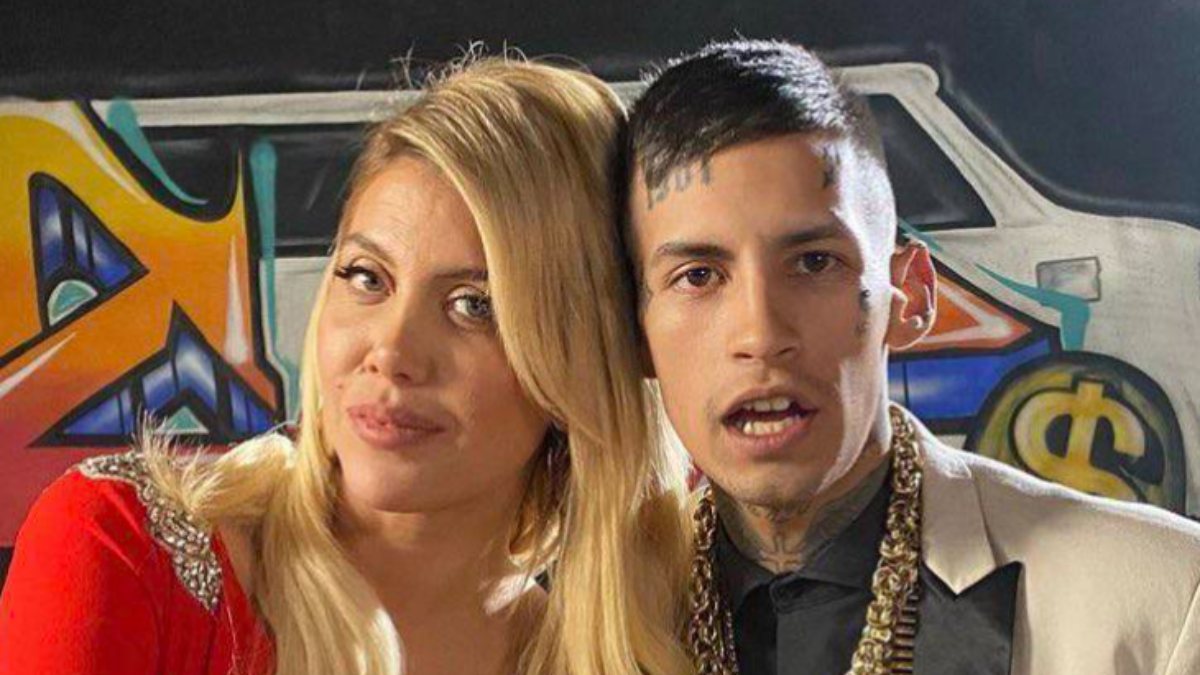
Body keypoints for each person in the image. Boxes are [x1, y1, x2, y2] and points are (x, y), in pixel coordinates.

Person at [0, 57, 695, 675]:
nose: (390, 352)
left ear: (582, 355)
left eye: (474, 305)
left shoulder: (610, 657)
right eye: (367, 277)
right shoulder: (122, 551)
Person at [619, 39, 1200, 674]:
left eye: (814, 263)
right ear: (636, 330)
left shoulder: (1162, 604)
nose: (760, 334)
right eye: (698, 276)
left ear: (912, 297)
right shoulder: (581, 627)